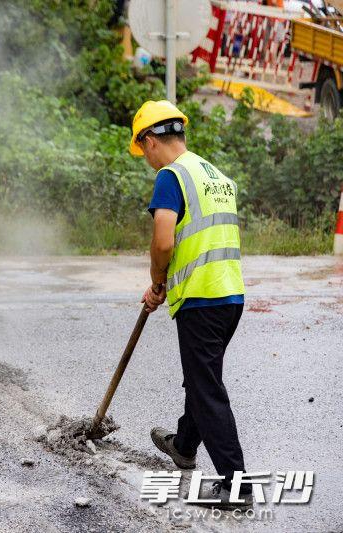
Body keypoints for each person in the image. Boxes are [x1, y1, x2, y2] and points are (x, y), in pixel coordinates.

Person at [130, 100, 252, 510]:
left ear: (149, 141)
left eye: (141, 148)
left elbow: (164, 240)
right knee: (202, 379)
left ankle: (237, 487)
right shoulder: (215, 175)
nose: (145, 158)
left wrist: (157, 282)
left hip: (201, 298)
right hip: (230, 295)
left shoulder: (171, 176)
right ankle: (183, 446)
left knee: (206, 389)